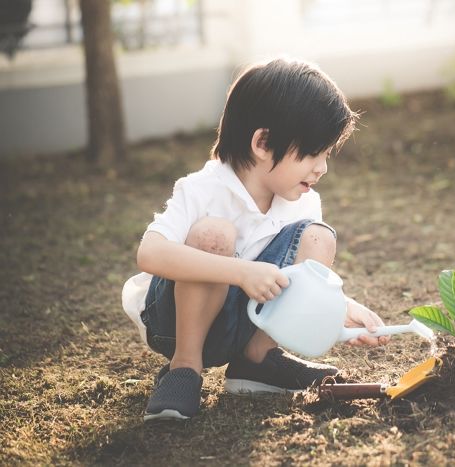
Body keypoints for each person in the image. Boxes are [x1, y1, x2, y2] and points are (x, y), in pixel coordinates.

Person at [121, 58, 389, 421]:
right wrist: (242, 272)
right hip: (175, 321)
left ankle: (256, 360)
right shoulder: (203, 188)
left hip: (248, 321)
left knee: (317, 237)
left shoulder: (303, 201)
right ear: (263, 143)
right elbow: (150, 254)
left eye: (327, 155)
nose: (322, 168)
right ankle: (184, 368)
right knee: (214, 234)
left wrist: (341, 307)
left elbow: (299, 283)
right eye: (313, 153)